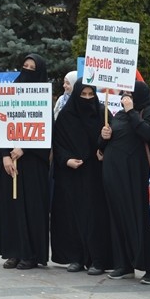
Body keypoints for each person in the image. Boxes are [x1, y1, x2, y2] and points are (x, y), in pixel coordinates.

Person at [100, 80, 150, 283]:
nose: (126, 97)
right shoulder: (119, 115)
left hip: (139, 177)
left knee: (143, 220)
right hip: (117, 177)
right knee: (120, 218)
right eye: (124, 93)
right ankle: (124, 263)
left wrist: (131, 112)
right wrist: (103, 137)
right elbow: (104, 144)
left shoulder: (149, 113)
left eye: (130, 93)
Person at [0, 55, 52, 270]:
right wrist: (4, 154)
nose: (27, 71)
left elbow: (46, 129)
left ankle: (31, 253)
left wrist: (25, 147)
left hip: (32, 163)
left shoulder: (45, 99)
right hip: (10, 161)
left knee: (31, 209)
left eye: (32, 68)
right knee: (11, 206)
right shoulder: (11, 92)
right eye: (25, 66)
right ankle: (13, 251)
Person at [51, 81, 111, 273]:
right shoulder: (66, 116)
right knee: (73, 215)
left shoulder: (103, 114)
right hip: (72, 174)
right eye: (82, 94)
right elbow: (57, 144)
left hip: (95, 173)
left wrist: (105, 140)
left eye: (90, 94)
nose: (86, 98)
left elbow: (112, 143)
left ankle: (97, 259)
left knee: (95, 216)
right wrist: (66, 159)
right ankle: (75, 257)